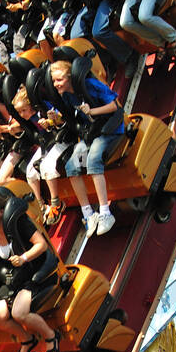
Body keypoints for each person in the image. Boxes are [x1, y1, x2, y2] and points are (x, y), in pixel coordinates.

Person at [0, 188, 60, 352]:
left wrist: (24, 258)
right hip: (13, 278)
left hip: (35, 272)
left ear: (1, 212)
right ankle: (27, 339)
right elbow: (1, 260)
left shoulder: (19, 222)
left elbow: (41, 245)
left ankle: (50, 335)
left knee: (19, 313)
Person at [54, 60, 125, 236]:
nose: (56, 84)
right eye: (54, 81)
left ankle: (105, 213)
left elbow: (115, 105)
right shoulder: (68, 96)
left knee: (93, 160)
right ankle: (88, 214)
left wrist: (92, 111)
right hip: (92, 133)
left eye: (59, 80)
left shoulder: (91, 85)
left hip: (110, 128)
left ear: (70, 77)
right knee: (71, 166)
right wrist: (55, 119)